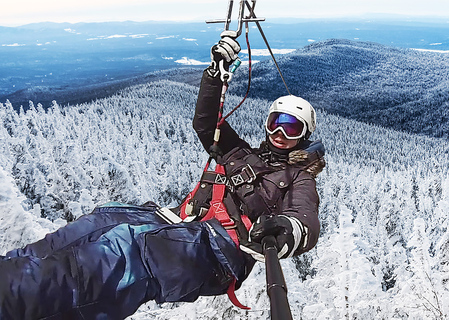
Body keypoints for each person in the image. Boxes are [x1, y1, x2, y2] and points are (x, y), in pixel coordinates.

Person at [0, 34, 325, 319]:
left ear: (305, 134)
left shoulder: (299, 177)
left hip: (221, 249)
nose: (281, 132)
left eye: (292, 127)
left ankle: (14, 297)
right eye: (276, 122)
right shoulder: (241, 153)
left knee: (124, 251)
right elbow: (205, 123)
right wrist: (214, 76)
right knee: (97, 223)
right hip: (181, 219)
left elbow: (305, 219)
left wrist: (287, 231)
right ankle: (13, 275)